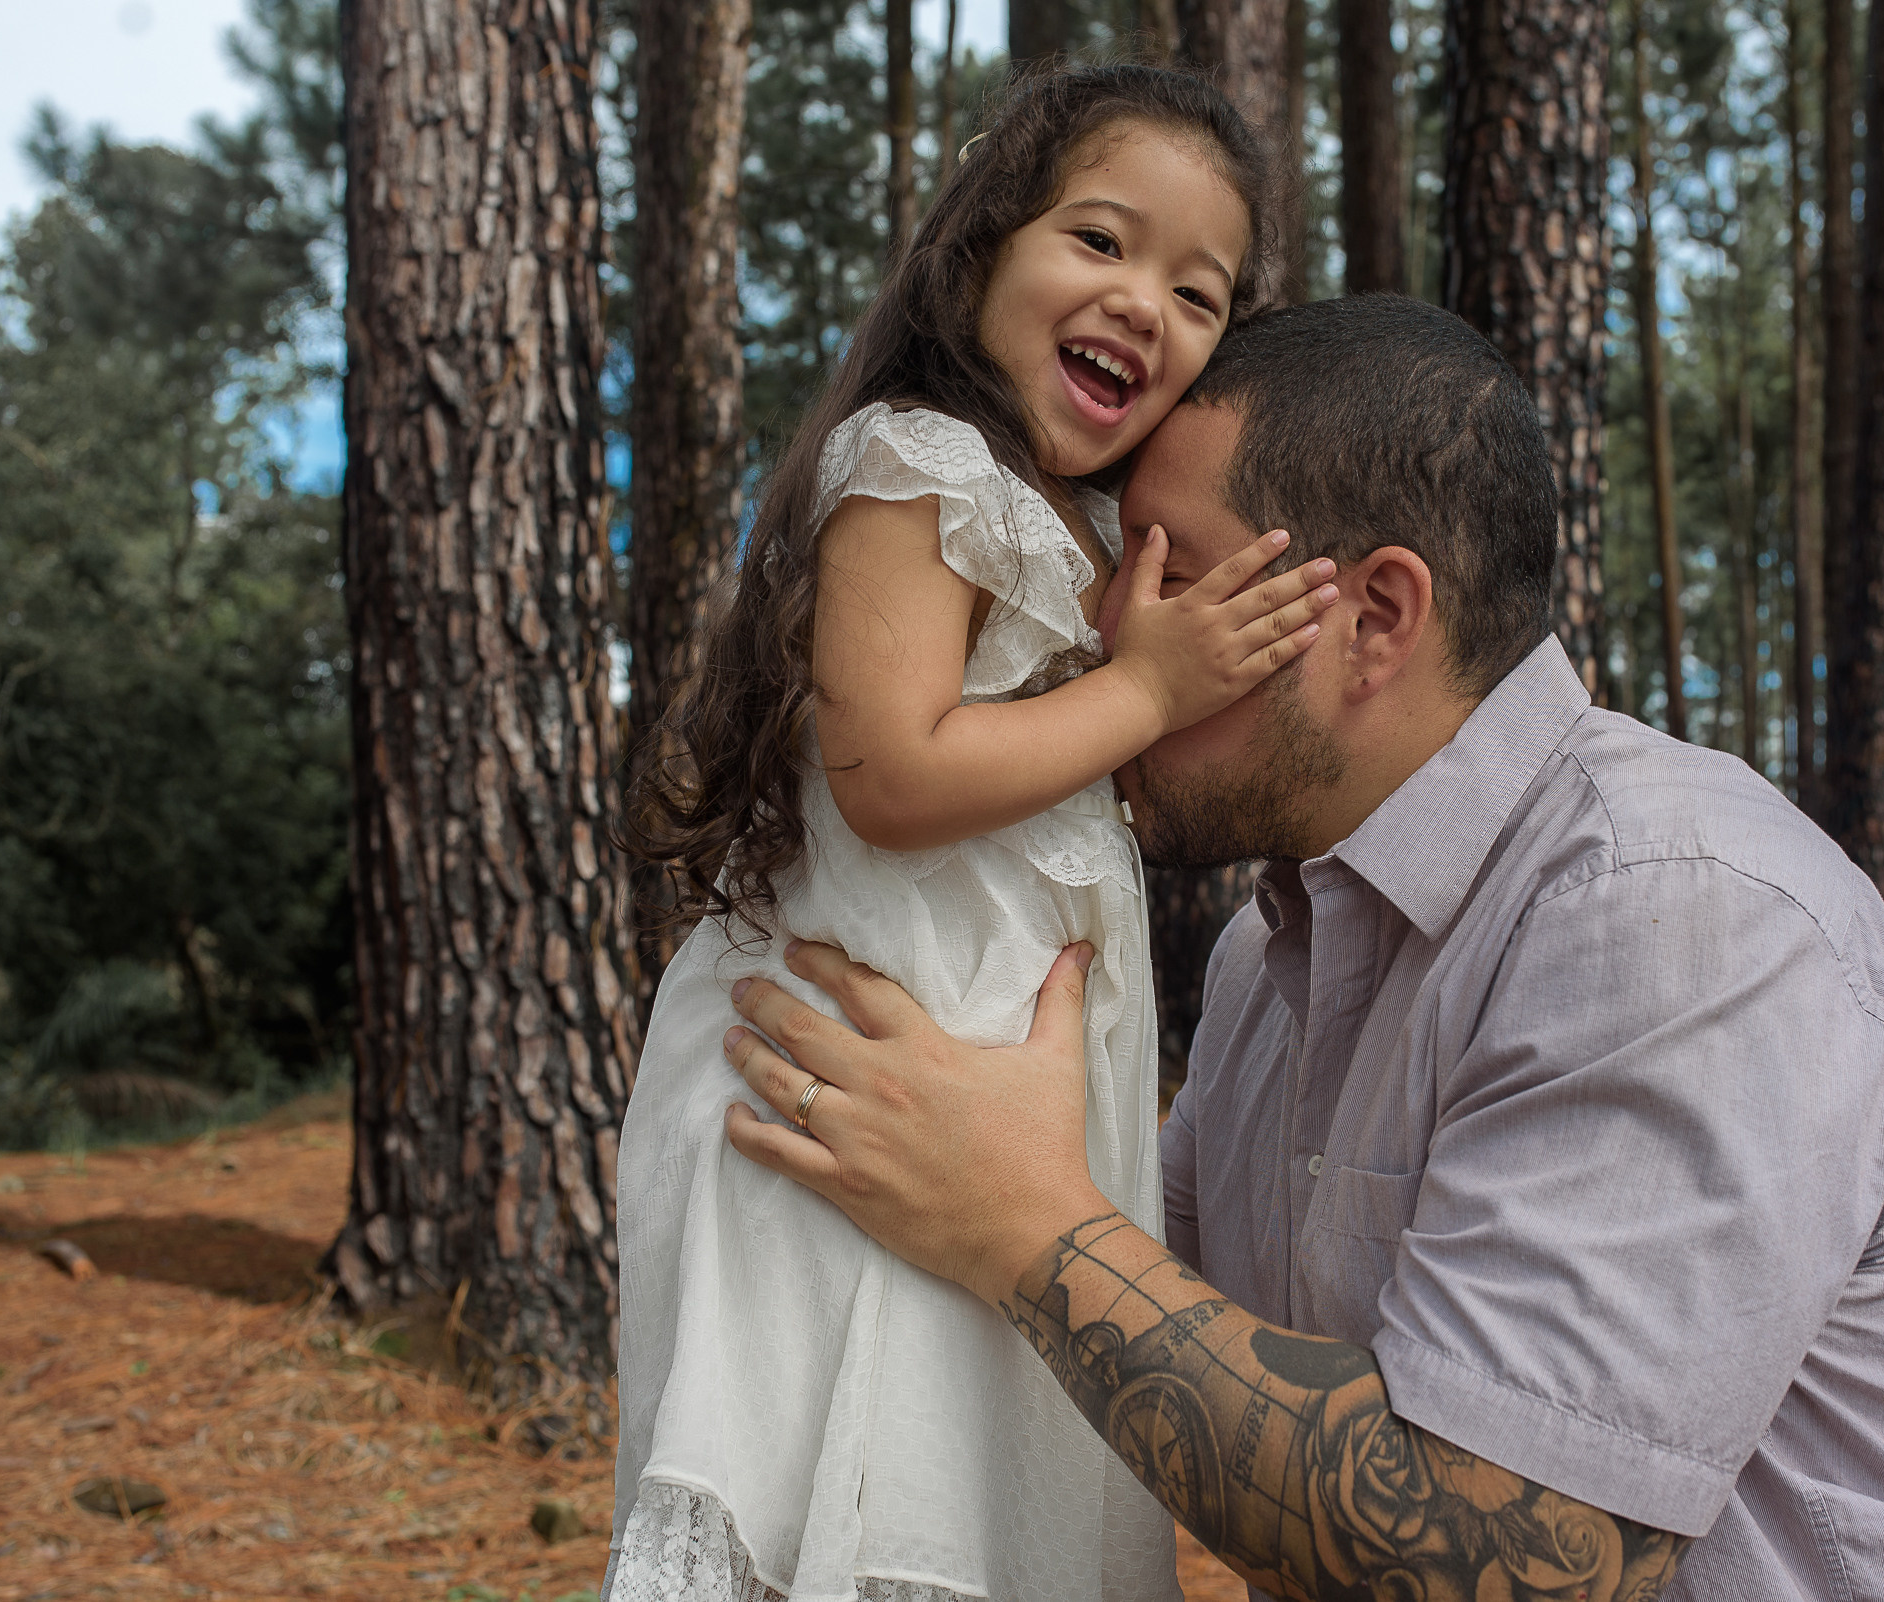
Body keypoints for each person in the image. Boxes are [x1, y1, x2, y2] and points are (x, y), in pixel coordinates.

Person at [717, 296, 1884, 1600]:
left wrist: (1024, 1223)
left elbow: (1507, 1549)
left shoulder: (1680, 908)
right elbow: (1147, 1350)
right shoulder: (1267, 960)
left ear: (1373, 619)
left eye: (1171, 572)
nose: (1105, 638)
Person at [605, 65, 1341, 1602]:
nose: (1144, 302)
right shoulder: (918, 463)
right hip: (843, 1105)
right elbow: (896, 772)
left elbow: (1045, 805)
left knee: (983, 1490)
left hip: (973, 1130)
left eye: (1197, 291)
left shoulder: (1064, 529)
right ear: (980, 249)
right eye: (1100, 241)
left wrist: (1146, 685)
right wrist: (1144, 685)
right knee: (866, 1483)